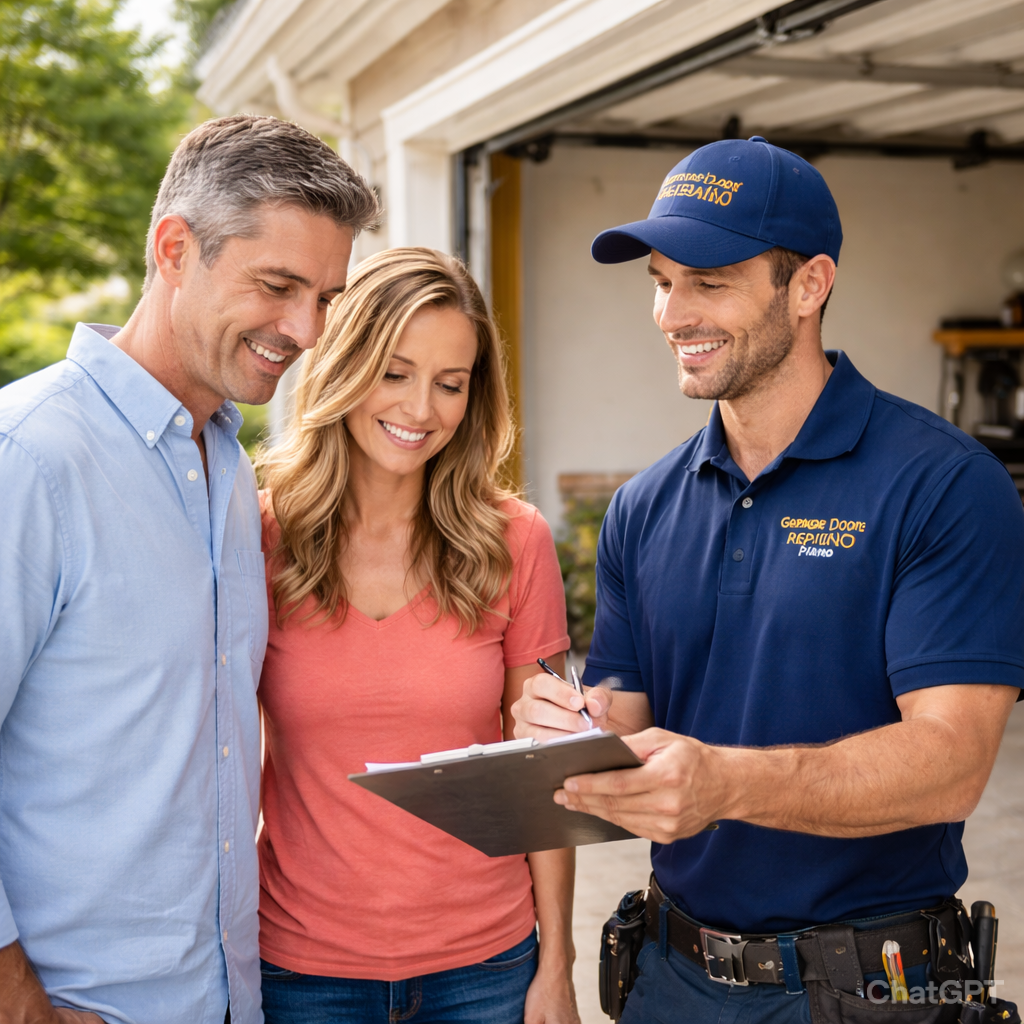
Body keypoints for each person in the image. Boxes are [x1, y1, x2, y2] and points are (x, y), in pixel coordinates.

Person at [512, 136, 1024, 1023]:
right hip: (668, 979)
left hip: (868, 990)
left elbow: (952, 765)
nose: (674, 314)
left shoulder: (943, 483)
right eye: (661, 281)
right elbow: (626, 713)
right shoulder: (644, 506)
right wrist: (566, 726)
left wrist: (726, 784)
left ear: (809, 286)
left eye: (709, 281)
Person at [0, 114, 378, 1024]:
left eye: (324, 296)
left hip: (227, 997)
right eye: (278, 285)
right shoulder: (30, 459)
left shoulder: (230, 467)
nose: (305, 330)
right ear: (176, 250)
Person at [254, 247, 579, 1024]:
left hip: (486, 970)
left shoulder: (514, 541)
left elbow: (547, 771)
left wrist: (557, 964)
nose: (421, 409)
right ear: (344, 364)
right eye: (394, 372)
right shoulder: (258, 537)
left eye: (450, 383)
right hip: (301, 971)